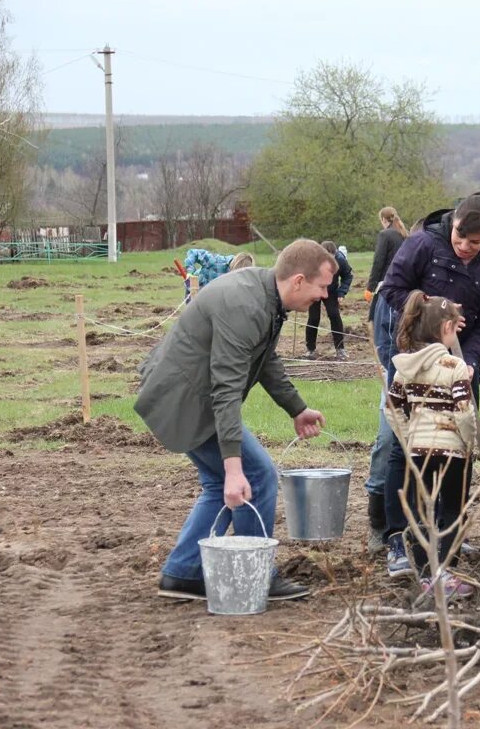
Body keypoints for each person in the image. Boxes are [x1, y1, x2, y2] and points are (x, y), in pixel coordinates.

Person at [137, 238, 335, 602]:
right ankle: (254, 576)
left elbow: (266, 360)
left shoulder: (267, 297)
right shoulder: (246, 305)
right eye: (322, 287)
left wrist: (297, 408)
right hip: (186, 402)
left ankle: (182, 573)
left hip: (189, 397)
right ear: (297, 281)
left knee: (220, 486)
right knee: (255, 476)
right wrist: (234, 467)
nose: (324, 296)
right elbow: (224, 388)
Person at [374, 194, 480, 576]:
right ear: (453, 224)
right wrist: (428, 306)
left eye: (474, 243)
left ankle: (450, 531)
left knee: (460, 446)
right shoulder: (422, 244)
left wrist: (469, 361)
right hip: (416, 363)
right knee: (399, 445)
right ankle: (398, 538)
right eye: (460, 238)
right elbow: (391, 289)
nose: (465, 247)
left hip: (460, 368)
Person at [384, 291, 477, 599]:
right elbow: (464, 412)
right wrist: (468, 442)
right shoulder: (455, 367)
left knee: (422, 511)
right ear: (448, 328)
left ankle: (426, 575)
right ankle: (447, 575)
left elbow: (392, 408)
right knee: (453, 511)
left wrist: (409, 435)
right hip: (452, 452)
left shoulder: (404, 367)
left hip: (418, 451)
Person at [362, 207, 410, 551]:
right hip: (393, 377)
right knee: (386, 443)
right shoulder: (386, 297)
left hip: (427, 379)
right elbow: (381, 344)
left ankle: (419, 520)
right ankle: (378, 521)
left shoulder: (428, 296)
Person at [304, 240, 353, 360]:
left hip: (331, 291)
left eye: (332, 257)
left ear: (335, 254)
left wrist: (341, 292)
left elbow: (347, 275)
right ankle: (310, 349)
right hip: (315, 290)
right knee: (314, 318)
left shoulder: (340, 260)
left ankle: (340, 349)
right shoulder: (313, 260)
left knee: (334, 315)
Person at [365, 206, 409, 321]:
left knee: (376, 317)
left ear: (384, 220)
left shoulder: (385, 235)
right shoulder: (406, 235)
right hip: (404, 282)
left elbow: (378, 261)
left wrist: (370, 287)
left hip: (386, 283)